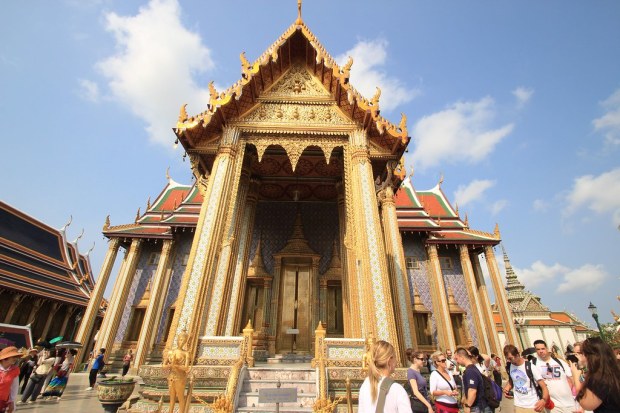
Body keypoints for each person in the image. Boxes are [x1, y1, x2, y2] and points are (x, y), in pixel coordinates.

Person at [358, 341, 411, 413]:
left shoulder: (366, 384)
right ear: (389, 361)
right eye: (395, 357)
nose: (396, 361)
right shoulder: (397, 389)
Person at [574, 337, 620, 413]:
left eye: (581, 353)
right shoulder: (614, 370)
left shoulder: (599, 378)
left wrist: (576, 375)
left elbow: (587, 404)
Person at [503, 344, 549, 413]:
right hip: (518, 405)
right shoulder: (510, 366)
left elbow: (543, 386)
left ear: (517, 355)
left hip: (533, 406)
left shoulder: (530, 367)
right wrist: (507, 388)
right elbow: (511, 381)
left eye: (510, 358)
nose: (509, 361)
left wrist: (543, 400)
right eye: (507, 358)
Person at [532, 339, 575, 413]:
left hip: (569, 403)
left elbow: (571, 378)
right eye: (538, 349)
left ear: (547, 349)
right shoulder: (533, 364)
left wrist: (569, 391)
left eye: (543, 348)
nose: (541, 351)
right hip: (552, 405)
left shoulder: (560, 362)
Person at [454, 347, 490, 413]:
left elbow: (472, 390)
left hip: (476, 407)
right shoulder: (472, 368)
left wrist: (468, 406)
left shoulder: (470, 371)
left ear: (462, 357)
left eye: (456, 359)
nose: (457, 361)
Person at [164, 331, 192, 413]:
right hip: (171, 376)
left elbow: (186, 367)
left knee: (180, 397)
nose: (181, 342)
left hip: (180, 377)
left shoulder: (186, 353)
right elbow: (164, 365)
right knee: (172, 397)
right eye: (180, 339)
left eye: (184, 341)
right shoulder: (170, 352)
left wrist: (177, 366)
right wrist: (170, 365)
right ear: (177, 339)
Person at [405, 349, 433, 413]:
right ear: (415, 359)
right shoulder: (411, 372)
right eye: (421, 359)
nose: (423, 361)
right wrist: (428, 405)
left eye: (424, 359)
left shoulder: (418, 371)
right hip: (418, 405)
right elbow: (416, 392)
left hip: (424, 402)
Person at [0, 346, 22, 413]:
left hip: (2, 402)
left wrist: (11, 401)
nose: (16, 359)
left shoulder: (15, 370)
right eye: (13, 356)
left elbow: (14, 387)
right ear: (5, 358)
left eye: (16, 357)